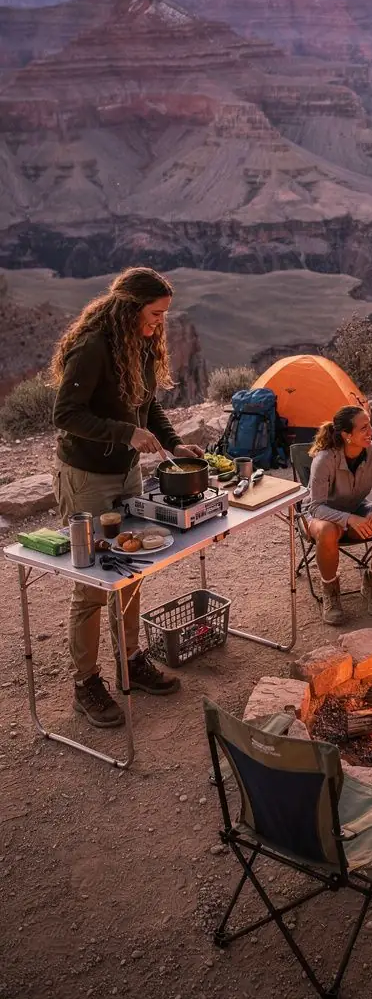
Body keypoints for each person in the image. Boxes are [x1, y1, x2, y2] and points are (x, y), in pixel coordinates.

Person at [51, 266, 205, 729]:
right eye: (155, 314)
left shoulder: (137, 342)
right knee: (92, 583)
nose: (160, 323)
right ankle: (86, 683)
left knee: (131, 571)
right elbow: (65, 413)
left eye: (163, 316)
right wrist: (125, 433)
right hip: (87, 478)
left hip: (125, 474)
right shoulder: (94, 346)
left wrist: (173, 442)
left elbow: (148, 405)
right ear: (129, 308)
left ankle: (131, 660)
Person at [303, 405, 372, 626]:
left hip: (355, 507)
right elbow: (316, 506)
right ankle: (330, 589)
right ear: (347, 435)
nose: (371, 432)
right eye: (364, 428)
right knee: (328, 531)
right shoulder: (325, 459)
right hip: (320, 514)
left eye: (370, 426)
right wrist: (350, 520)